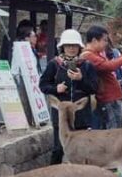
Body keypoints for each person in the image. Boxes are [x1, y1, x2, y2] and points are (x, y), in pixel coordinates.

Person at [39, 30, 98, 164]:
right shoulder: (54, 64)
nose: (71, 48)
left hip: (82, 116)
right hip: (61, 117)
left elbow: (95, 88)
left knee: (84, 151)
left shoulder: (87, 65)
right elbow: (43, 85)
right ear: (62, 47)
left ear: (79, 47)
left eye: (74, 45)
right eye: (68, 45)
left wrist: (81, 79)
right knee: (58, 149)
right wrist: (56, 89)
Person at [80, 25, 122, 130]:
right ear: (94, 40)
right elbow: (108, 66)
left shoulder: (96, 54)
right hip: (107, 98)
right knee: (113, 131)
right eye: (104, 40)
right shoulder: (88, 55)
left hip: (111, 97)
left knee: (117, 129)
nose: (106, 43)